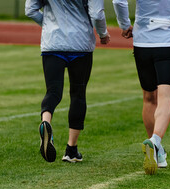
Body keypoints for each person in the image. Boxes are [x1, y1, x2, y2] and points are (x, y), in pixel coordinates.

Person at [113, 0, 170, 174]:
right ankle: (155, 141)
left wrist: (125, 25)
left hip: (143, 44)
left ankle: (158, 152)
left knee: (149, 98)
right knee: (165, 98)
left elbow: (118, 1)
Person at [25, 0, 110, 163]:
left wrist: (48, 24)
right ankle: (71, 149)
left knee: (53, 91)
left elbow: (30, 10)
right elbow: (97, 13)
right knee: (78, 93)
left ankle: (45, 122)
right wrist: (103, 33)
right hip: (80, 43)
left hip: (53, 42)